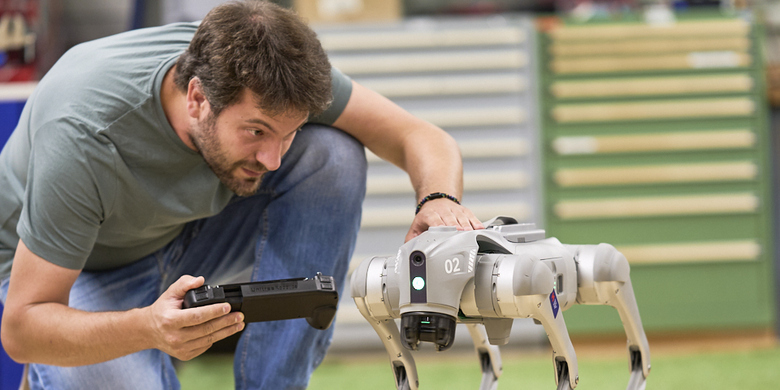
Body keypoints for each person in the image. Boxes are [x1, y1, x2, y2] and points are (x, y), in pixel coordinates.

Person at [0, 1, 483, 389]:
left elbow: (419, 135)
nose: (273, 159)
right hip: (74, 272)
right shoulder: (84, 135)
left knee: (332, 154)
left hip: (180, 234)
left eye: (287, 134)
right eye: (256, 131)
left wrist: (438, 199)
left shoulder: (270, 71)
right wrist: (148, 327)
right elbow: (23, 328)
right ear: (196, 99)